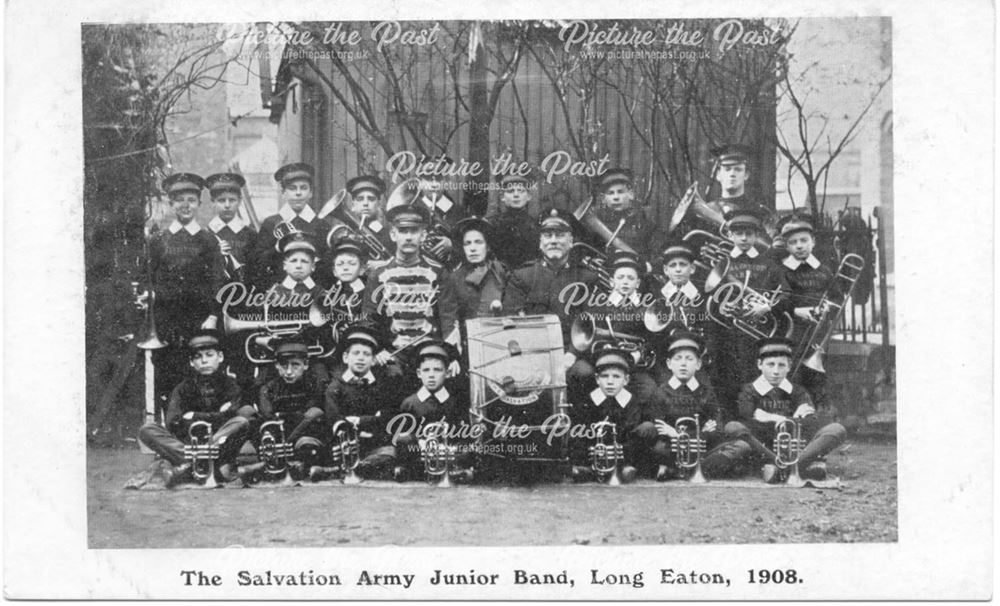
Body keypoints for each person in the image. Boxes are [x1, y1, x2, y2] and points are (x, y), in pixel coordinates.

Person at [146, 172, 225, 415]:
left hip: (197, 319)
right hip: (166, 320)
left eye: (191, 200)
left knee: (197, 373)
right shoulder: (158, 240)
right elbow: (149, 276)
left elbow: (217, 282)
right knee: (165, 371)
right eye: (179, 200)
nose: (185, 205)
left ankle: (195, 428)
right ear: (171, 204)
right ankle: (168, 430)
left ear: (199, 204)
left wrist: (212, 315)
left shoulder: (208, 240)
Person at [502, 208, 601, 401]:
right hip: (530, 355)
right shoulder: (522, 276)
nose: (554, 240)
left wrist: (572, 355)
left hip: (571, 355)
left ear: (571, 241)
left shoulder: (587, 277)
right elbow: (511, 324)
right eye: (548, 235)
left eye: (560, 235)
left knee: (584, 374)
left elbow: (591, 324)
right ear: (540, 243)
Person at [362, 202, 460, 390]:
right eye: (403, 231)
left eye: (414, 231)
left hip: (430, 349)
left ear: (422, 235)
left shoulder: (438, 272)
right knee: (390, 378)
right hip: (393, 350)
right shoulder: (378, 274)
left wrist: (451, 355)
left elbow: (449, 317)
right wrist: (378, 349)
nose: (408, 237)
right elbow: (370, 316)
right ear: (393, 234)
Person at [137, 330, 254, 487]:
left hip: (220, 442)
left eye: (209, 355)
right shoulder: (182, 388)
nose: (204, 361)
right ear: (192, 362)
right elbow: (173, 422)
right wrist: (219, 415)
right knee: (147, 430)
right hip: (189, 443)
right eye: (198, 357)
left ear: (220, 357)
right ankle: (202, 459)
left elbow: (233, 415)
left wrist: (193, 416)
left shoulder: (231, 386)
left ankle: (192, 461)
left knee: (242, 420)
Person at [727, 337, 846, 483]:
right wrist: (794, 420)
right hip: (766, 451)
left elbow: (811, 422)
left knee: (837, 429)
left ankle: (782, 469)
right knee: (733, 428)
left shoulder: (798, 391)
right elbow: (747, 421)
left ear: (789, 367)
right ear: (759, 364)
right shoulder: (749, 391)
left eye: (781, 365)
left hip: (795, 449)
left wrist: (774, 418)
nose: (776, 371)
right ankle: (800, 468)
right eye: (770, 364)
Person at [707, 208, 784, 413]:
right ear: (730, 235)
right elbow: (710, 298)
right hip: (727, 335)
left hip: (757, 337)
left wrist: (766, 306)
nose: (743, 238)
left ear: (756, 236)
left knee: (754, 379)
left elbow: (786, 294)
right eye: (738, 234)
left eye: (748, 234)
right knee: (726, 380)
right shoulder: (723, 263)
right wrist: (723, 308)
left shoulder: (769, 264)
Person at [642, 331, 728, 481]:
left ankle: (678, 471)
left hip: (700, 448)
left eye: (689, 359)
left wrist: (676, 434)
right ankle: (691, 470)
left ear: (698, 364)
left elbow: (716, 425)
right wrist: (699, 432)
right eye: (678, 358)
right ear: (669, 364)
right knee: (658, 448)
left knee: (740, 447)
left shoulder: (706, 392)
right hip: (671, 449)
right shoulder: (660, 392)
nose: (683, 363)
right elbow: (658, 427)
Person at [573, 250, 657, 402]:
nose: (625, 281)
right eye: (620, 277)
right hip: (601, 362)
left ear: (637, 283)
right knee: (583, 374)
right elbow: (586, 335)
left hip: (631, 366)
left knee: (648, 387)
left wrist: (638, 354)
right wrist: (601, 352)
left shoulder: (646, 308)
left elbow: (650, 339)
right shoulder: (598, 304)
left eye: (630, 278)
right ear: (612, 282)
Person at [773, 216, 839, 405]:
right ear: (787, 246)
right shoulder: (783, 271)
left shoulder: (824, 270)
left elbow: (837, 297)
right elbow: (780, 300)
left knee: (818, 375)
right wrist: (796, 311)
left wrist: (828, 307)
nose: (799, 246)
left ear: (813, 242)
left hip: (819, 330)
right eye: (793, 242)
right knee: (794, 372)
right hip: (794, 330)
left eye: (804, 240)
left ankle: (817, 409)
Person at [322, 324, 401, 480]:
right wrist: (370, 420)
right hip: (345, 443)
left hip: (373, 443)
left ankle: (359, 467)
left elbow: (385, 417)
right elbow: (334, 418)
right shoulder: (335, 387)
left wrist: (357, 420)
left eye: (366, 354)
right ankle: (356, 467)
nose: (360, 358)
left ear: (373, 360)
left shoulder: (381, 385)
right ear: (346, 357)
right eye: (356, 353)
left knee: (390, 453)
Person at [205, 172, 257, 395]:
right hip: (214, 309)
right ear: (213, 202)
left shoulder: (249, 235)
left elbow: (256, 275)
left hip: (243, 308)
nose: (227, 205)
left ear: (238, 201)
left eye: (232, 200)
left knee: (244, 361)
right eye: (221, 201)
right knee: (215, 361)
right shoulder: (205, 235)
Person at [392, 341, 474, 483]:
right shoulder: (410, 403)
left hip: (446, 452)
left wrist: (447, 448)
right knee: (402, 444)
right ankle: (416, 471)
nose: (431, 375)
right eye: (426, 370)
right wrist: (422, 445)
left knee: (468, 451)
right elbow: (404, 435)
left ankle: (452, 471)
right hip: (420, 453)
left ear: (447, 373)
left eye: (437, 370)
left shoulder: (454, 402)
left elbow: (461, 434)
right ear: (419, 373)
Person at [252, 337, 328, 480]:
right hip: (278, 434)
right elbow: (268, 418)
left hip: (303, 435)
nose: (288, 372)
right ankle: (273, 462)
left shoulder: (314, 384)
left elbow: (312, 413)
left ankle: (294, 460)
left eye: (295, 365)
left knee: (316, 414)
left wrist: (283, 415)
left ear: (305, 365)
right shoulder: (268, 388)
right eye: (283, 365)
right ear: (276, 365)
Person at [569, 347, 645, 483]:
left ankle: (626, 466)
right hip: (596, 447)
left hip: (619, 447)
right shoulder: (589, 400)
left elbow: (629, 429)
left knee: (639, 432)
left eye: (616, 376)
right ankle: (587, 467)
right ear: (597, 379)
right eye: (605, 376)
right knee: (577, 432)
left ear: (626, 380)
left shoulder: (631, 401)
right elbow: (583, 430)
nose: (610, 382)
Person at [251, 162, 332, 287]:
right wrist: (277, 248)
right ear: (283, 193)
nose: (298, 193)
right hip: (279, 291)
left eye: (303, 188)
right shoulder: (271, 223)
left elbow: (328, 264)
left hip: (314, 291)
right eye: (292, 188)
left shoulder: (321, 225)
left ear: (311, 193)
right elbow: (258, 262)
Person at [645, 242, 709, 387]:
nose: (678, 270)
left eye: (683, 265)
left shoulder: (702, 295)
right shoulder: (657, 294)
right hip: (666, 361)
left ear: (692, 268)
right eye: (673, 266)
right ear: (665, 270)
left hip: (696, 359)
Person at [448, 216, 509, 338]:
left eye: (478, 242)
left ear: (487, 247)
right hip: (468, 338)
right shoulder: (454, 278)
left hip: (498, 335)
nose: (473, 248)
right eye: (467, 243)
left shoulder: (500, 272)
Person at [325, 174, 393, 266]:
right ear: (353, 204)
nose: (365, 203)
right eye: (360, 199)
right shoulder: (343, 236)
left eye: (371, 199)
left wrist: (385, 264)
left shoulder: (388, 235)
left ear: (379, 204)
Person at [591, 167, 658, 258]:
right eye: (611, 193)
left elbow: (656, 252)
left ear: (631, 194)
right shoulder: (600, 220)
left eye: (620, 192)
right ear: (603, 199)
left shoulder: (644, 219)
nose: (616, 197)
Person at [487, 173, 539, 269]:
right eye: (510, 191)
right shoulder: (493, 224)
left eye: (521, 191)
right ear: (502, 196)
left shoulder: (535, 225)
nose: (516, 195)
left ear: (528, 196)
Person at [320, 239, 369, 329]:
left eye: (352, 263)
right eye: (340, 264)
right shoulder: (330, 295)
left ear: (362, 269)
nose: (345, 268)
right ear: (334, 271)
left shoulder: (370, 292)